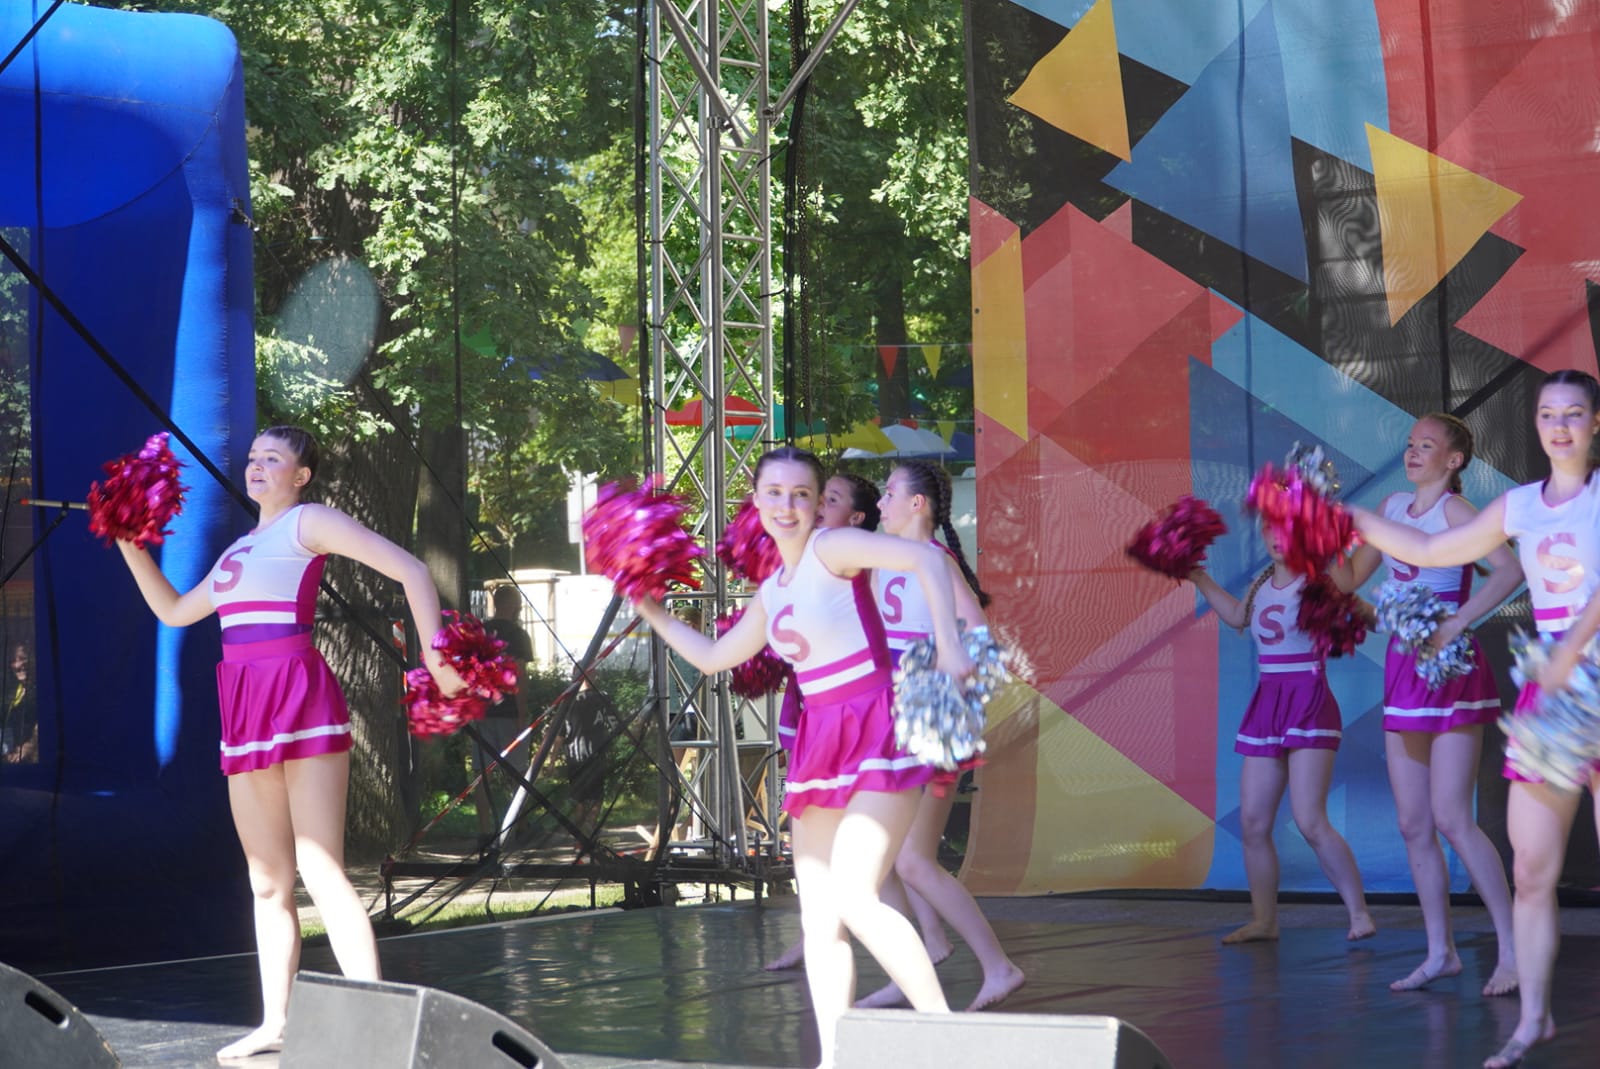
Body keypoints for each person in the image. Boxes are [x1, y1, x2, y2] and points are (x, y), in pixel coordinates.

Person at [113, 426, 462, 1062]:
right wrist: (129, 543)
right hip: (244, 705)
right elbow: (174, 613)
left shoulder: (309, 521)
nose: (256, 465)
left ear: (301, 476)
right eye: (252, 457)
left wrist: (436, 660)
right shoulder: (237, 549)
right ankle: (276, 1022)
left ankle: (376, 1020)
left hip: (297, 693)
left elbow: (412, 569)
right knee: (268, 881)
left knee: (320, 866)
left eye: (272, 458)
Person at [634, 446, 972, 1068]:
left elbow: (927, 557)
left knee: (857, 895)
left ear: (818, 504)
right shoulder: (773, 591)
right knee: (820, 918)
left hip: (878, 724)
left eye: (801, 494)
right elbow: (714, 658)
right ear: (756, 501)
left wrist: (950, 647)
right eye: (774, 493)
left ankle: (947, 1039)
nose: (786, 506)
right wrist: (651, 609)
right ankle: (835, 1059)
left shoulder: (832, 548)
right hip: (821, 740)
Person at [1349, 371, 1600, 1069]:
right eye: (1547, 413)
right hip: (1553, 701)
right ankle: (1534, 1018)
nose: (1558, 425)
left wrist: (1569, 650)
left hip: (1588, 679)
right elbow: (1431, 552)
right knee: (1532, 869)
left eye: (1572, 414)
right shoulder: (1520, 505)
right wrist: (1347, 517)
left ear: (1594, 423)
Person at [1330, 414, 1520, 995]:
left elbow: (1510, 570)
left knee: (1452, 818)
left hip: (1450, 669)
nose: (1413, 453)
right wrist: (1312, 536)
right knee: (1413, 822)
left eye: (1427, 446)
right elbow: (1347, 582)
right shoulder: (1390, 507)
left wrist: (1458, 621)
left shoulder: (1457, 512)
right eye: (1410, 445)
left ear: (1453, 460)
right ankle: (1442, 953)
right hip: (1403, 670)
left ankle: (1513, 951)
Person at [854, 460, 1026, 1011]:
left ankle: (997, 966)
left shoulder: (935, 561)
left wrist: (936, 694)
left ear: (917, 504)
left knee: (911, 862)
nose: (880, 503)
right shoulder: (886, 560)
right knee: (885, 859)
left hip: (928, 725)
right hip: (890, 724)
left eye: (889, 493)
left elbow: (978, 640)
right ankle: (922, 957)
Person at [1189, 528, 1376, 946]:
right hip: (1268, 703)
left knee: (1310, 820)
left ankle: (1359, 913)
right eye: (1270, 528)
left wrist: (1369, 612)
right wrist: (1199, 577)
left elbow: (1363, 615)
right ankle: (1264, 921)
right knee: (1253, 822)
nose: (1277, 537)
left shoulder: (1319, 582)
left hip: (1308, 699)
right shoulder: (1261, 583)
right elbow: (1237, 616)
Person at [764, 470, 884, 971]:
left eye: (825, 499)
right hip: (826, 719)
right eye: (775, 494)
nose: (812, 509)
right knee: (871, 871)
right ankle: (821, 934)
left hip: (874, 717)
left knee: (902, 867)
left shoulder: (850, 559)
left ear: (854, 518)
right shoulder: (789, 572)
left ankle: (942, 960)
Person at [473, 584, 534, 840]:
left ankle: (484, 829)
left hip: (482, 712)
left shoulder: (480, 633)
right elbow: (519, 676)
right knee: (518, 771)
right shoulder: (518, 636)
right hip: (509, 712)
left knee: (481, 773)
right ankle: (520, 825)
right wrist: (522, 712)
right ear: (511, 605)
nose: (519, 608)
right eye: (517, 603)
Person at [2, 640, 37, 764]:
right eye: (13, 660)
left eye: (23, 658)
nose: (18, 664)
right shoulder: (15, 690)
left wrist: (29, 746)